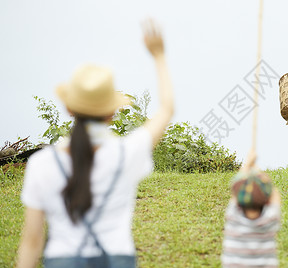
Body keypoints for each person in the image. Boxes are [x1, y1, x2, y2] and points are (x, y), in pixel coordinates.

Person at [16, 19, 174, 268]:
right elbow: (166, 110)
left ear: (69, 108)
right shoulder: (126, 154)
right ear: (112, 112)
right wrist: (159, 56)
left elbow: (32, 241)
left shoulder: (41, 164)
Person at [221, 149, 281, 268]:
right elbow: (275, 194)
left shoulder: (233, 218)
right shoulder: (270, 220)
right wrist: (259, 174)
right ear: (266, 200)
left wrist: (247, 164)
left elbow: (235, 187)